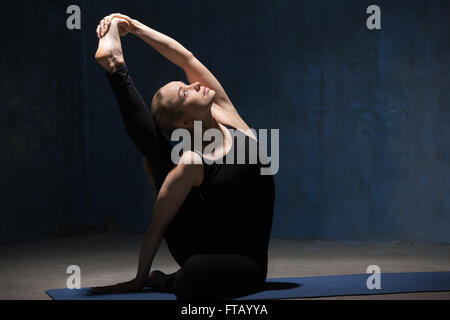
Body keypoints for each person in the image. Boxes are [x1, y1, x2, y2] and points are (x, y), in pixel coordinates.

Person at [91, 13, 275, 300]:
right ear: (186, 122)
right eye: (185, 92)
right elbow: (156, 228)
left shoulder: (226, 114)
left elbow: (186, 59)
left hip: (247, 263)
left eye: (185, 84)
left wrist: (134, 27)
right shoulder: (190, 160)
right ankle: (116, 68)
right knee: (172, 160)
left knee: (193, 274)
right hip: (200, 244)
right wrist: (139, 279)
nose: (193, 84)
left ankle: (115, 65)